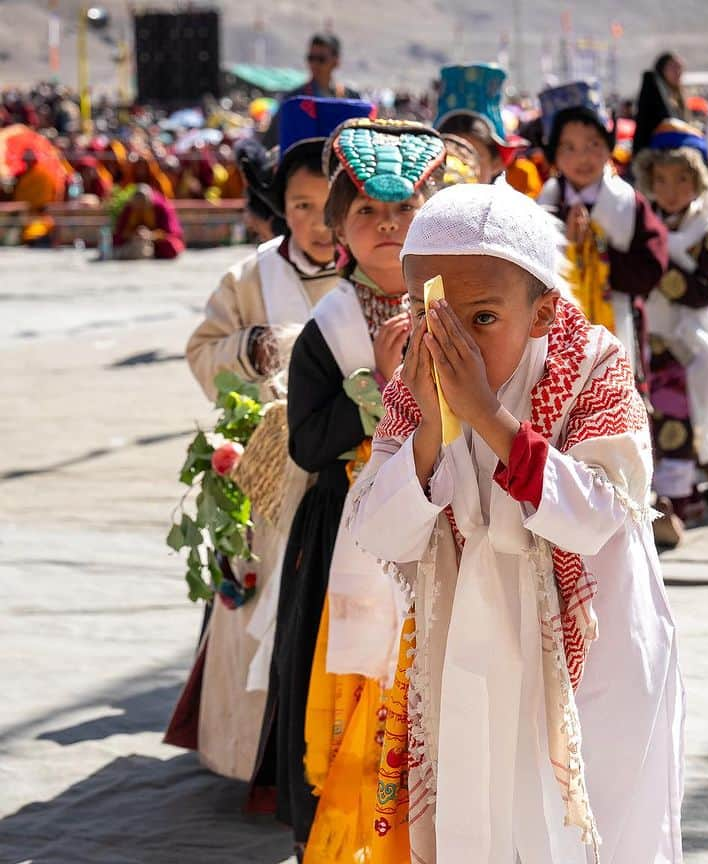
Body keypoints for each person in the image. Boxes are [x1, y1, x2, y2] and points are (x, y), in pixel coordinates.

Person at [344, 181, 684, 863]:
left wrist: (488, 418)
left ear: (542, 312)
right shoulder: (415, 386)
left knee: (596, 830)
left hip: (593, 651)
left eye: (483, 319)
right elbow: (378, 531)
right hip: (471, 642)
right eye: (430, 312)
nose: (455, 343)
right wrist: (431, 434)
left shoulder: (593, 367)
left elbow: (594, 516)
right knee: (481, 821)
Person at [250, 118, 445, 861]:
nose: (387, 226)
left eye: (404, 211)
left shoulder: (458, 306)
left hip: (443, 517)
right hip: (347, 531)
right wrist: (380, 393)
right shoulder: (330, 325)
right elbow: (307, 443)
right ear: (338, 227)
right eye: (366, 211)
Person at [165, 98, 375, 785]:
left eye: (330, 205)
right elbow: (203, 350)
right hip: (268, 477)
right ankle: (256, 754)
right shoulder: (254, 276)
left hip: (355, 478)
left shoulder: (372, 272)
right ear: (278, 205)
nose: (317, 223)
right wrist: (249, 350)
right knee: (262, 604)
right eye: (301, 205)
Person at [632, 119, 708, 545]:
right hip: (647, 337)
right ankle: (654, 497)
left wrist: (661, 272)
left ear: (699, 180)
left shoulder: (707, 230)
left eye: (682, 180)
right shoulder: (641, 223)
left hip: (688, 341)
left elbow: (707, 288)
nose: (671, 190)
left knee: (679, 419)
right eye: (662, 180)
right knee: (648, 418)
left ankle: (677, 496)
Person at [537, 81, 668, 380]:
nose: (582, 157)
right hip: (556, 331)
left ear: (609, 147)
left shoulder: (627, 202)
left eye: (593, 145)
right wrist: (567, 247)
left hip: (619, 319)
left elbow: (651, 266)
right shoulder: (544, 205)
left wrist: (599, 253)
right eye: (568, 147)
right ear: (554, 155)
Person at [264, 34, 361, 147]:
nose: (314, 64)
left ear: (336, 62)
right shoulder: (294, 100)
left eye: (321, 59)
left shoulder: (351, 99)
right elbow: (272, 140)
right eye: (311, 58)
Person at [433, 63, 523, 185]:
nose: (464, 165)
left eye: (475, 155)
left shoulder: (510, 203)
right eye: (450, 156)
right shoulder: (420, 200)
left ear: (496, 163)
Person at [631, 51, 689, 157]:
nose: (678, 72)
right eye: (673, 68)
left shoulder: (674, 96)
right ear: (663, 70)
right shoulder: (653, 91)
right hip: (653, 155)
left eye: (680, 68)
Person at [111, 183, 184, 259]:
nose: (140, 208)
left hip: (156, 242)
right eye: (137, 204)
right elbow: (120, 231)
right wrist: (134, 234)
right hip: (134, 241)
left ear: (149, 200)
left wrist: (150, 235)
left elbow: (171, 232)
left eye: (143, 204)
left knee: (170, 246)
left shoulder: (161, 207)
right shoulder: (129, 208)